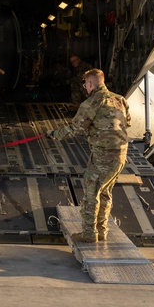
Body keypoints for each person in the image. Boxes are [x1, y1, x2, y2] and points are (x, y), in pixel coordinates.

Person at [49, 68, 130, 243]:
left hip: (103, 155)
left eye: (85, 83)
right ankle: (101, 231)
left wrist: (55, 134)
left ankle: (89, 234)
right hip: (121, 155)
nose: (85, 87)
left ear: (90, 83)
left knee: (91, 193)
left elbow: (76, 128)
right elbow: (127, 122)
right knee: (105, 192)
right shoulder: (120, 100)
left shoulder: (92, 102)